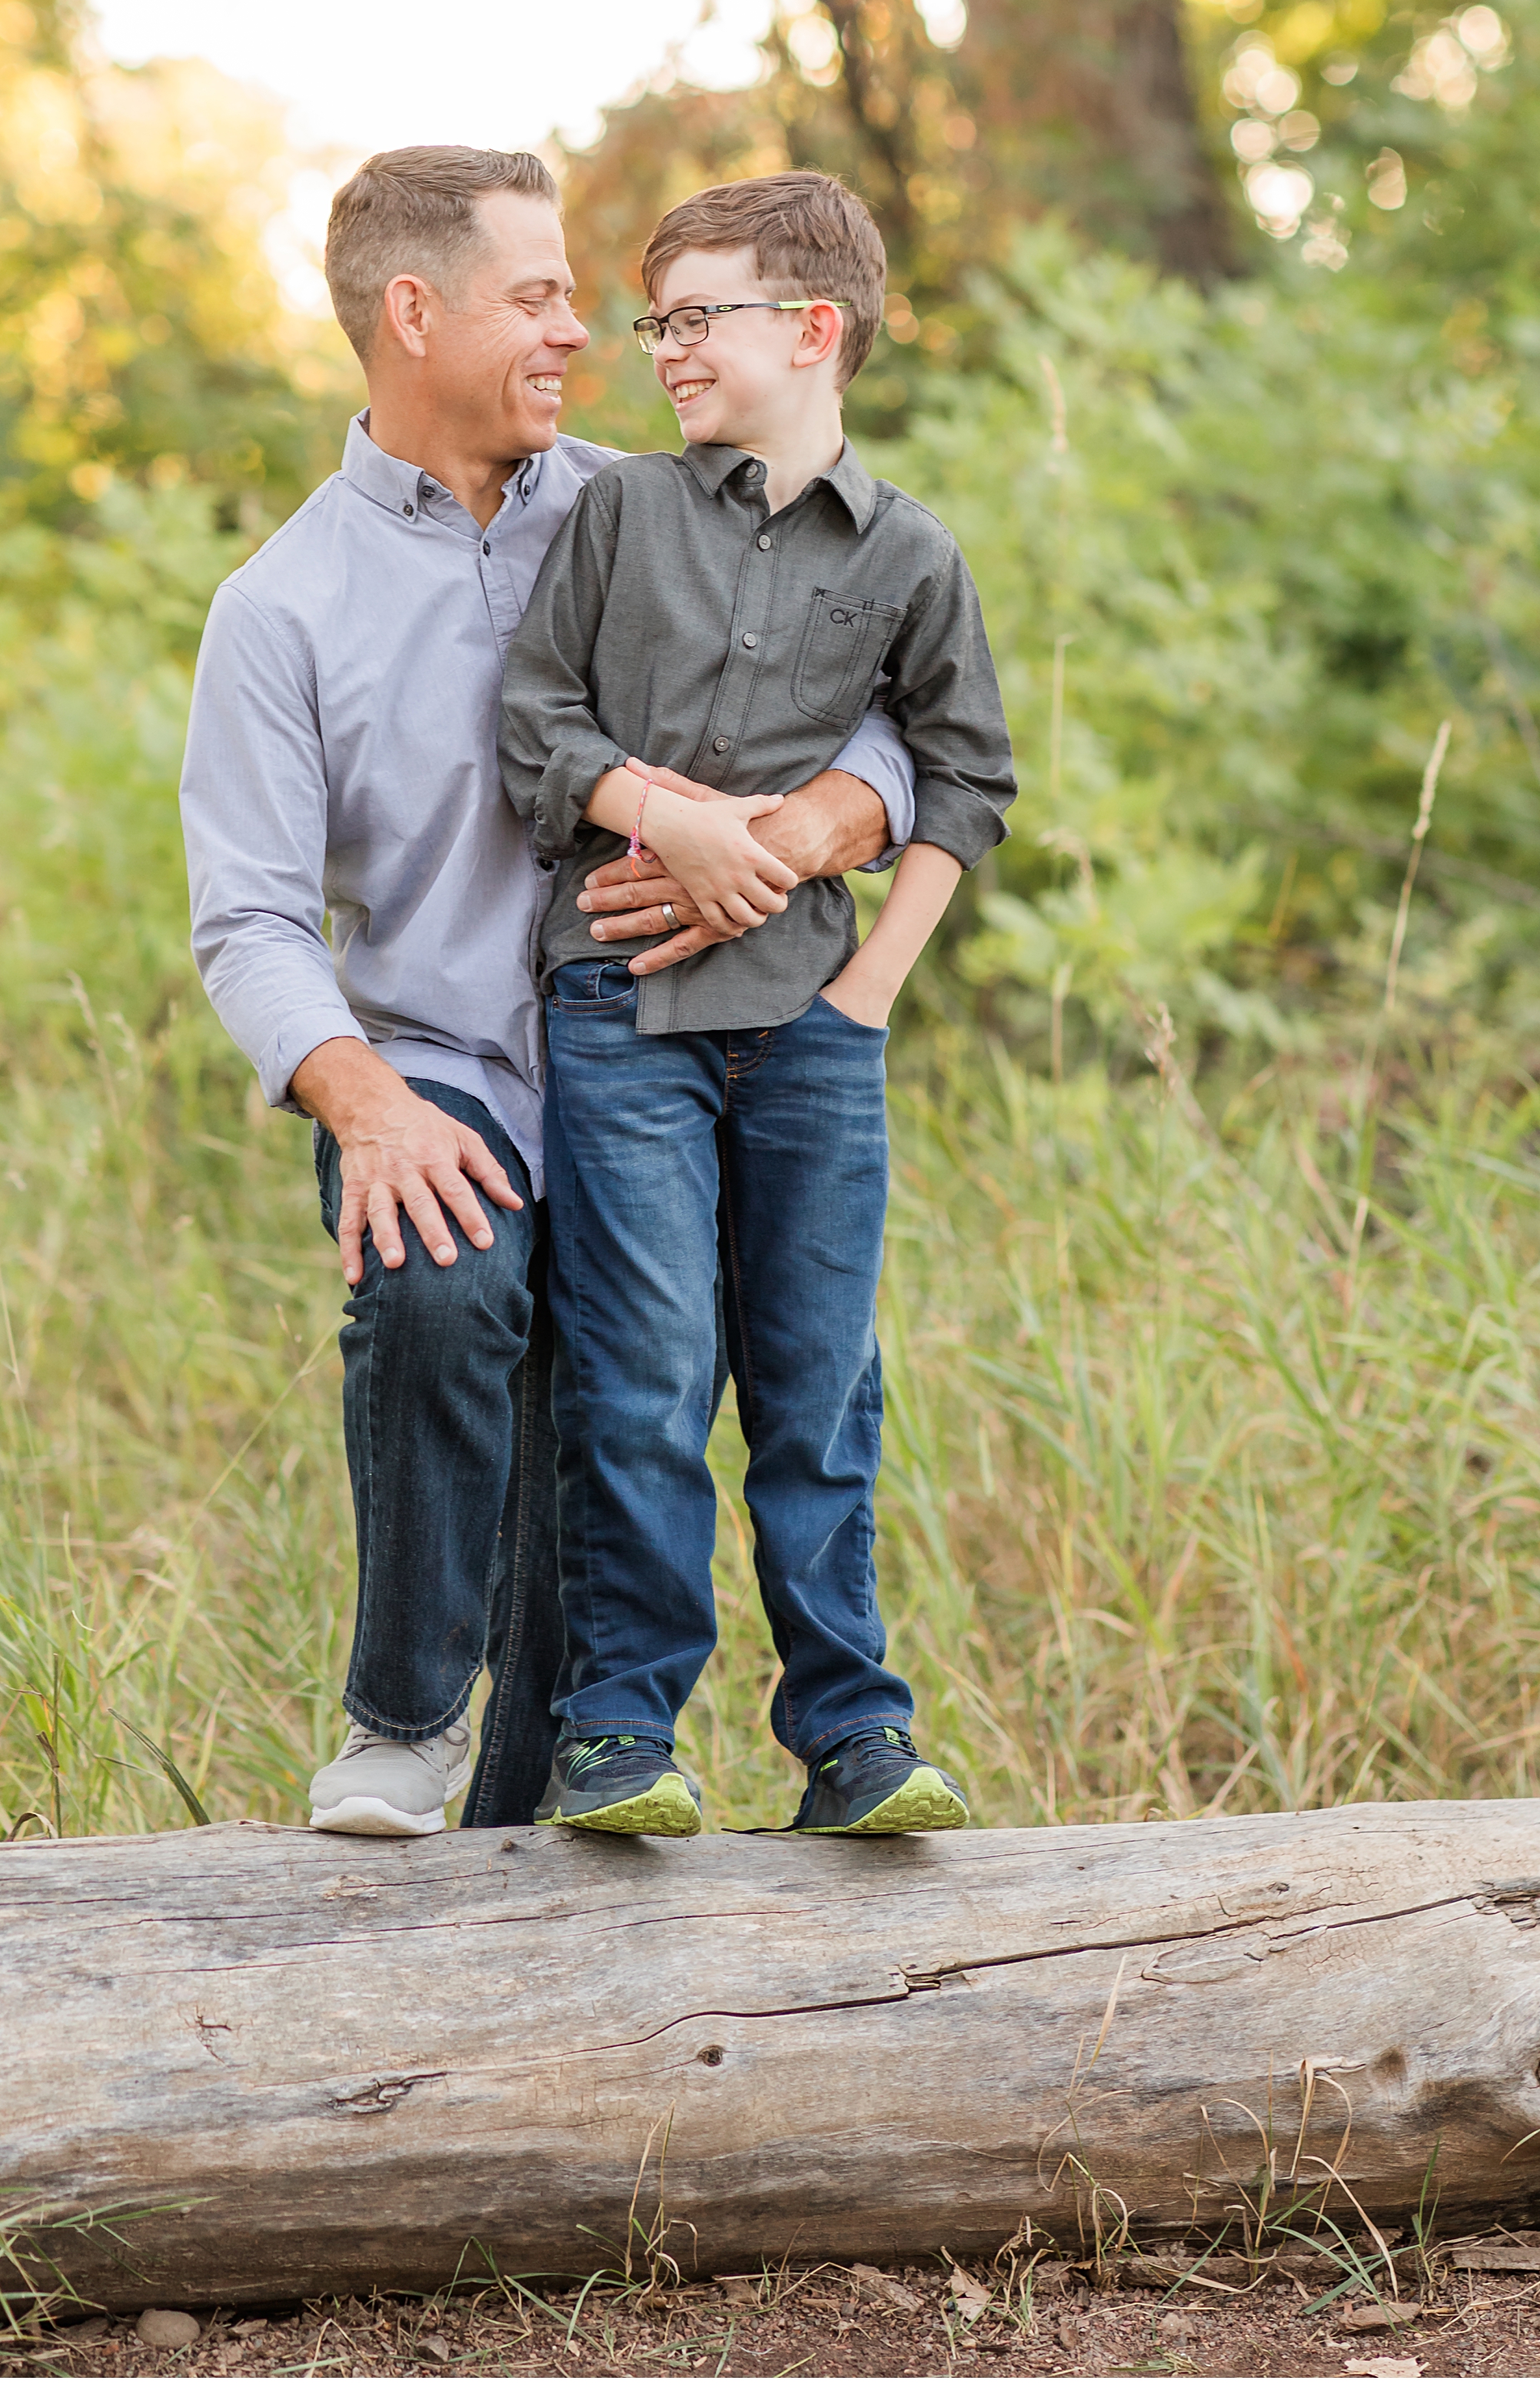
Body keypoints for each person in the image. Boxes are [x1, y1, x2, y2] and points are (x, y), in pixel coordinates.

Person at [179, 147, 916, 1836]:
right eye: (535, 296)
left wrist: (817, 820)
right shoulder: (280, 608)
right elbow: (249, 920)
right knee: (443, 1278)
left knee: (620, 1423)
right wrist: (361, 1103)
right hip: (442, 1061)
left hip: (664, 1058)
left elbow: (883, 681)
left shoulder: (650, 507)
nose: (577, 334)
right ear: (410, 311)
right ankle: (401, 1723)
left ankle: (527, 1847)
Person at [497, 170, 1014, 1840]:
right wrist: (671, 812)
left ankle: (852, 1733)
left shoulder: (911, 554)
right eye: (654, 320)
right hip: (617, 1011)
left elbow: (964, 779)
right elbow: (534, 732)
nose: (662, 347)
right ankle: (619, 1730)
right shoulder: (618, 516)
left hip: (811, 1035)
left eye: (693, 315)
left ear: (815, 330)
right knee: (640, 1373)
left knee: (814, 1381)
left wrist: (868, 989)